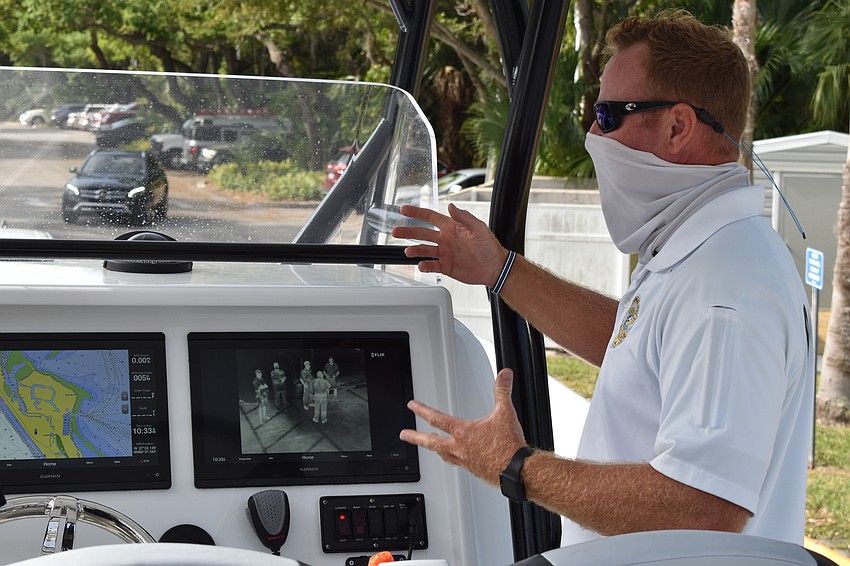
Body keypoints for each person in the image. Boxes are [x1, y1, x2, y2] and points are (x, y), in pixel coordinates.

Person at [390, 10, 813, 546]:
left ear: (677, 126)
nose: (593, 133)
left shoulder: (723, 289)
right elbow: (637, 344)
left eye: (608, 115)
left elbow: (705, 507)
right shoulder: (699, 251)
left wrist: (514, 464)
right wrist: (499, 270)